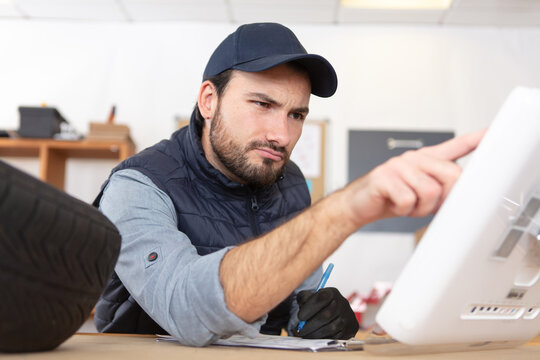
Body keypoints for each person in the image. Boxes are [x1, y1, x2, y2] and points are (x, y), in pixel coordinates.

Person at [93, 22, 484, 347]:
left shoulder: (290, 181)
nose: (281, 134)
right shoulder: (138, 185)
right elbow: (185, 310)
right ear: (209, 101)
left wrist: (318, 314)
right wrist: (347, 207)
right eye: (262, 105)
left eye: (296, 114)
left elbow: (300, 291)